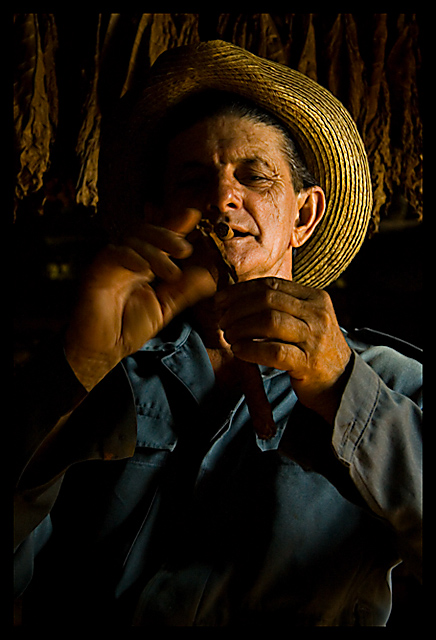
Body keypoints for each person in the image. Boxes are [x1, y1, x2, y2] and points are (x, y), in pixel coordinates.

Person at [13, 41, 422, 627]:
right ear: (157, 215)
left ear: (303, 216)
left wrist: (342, 390)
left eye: (253, 176)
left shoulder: (389, 382)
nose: (221, 197)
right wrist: (71, 369)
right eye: (191, 180)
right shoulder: (97, 377)